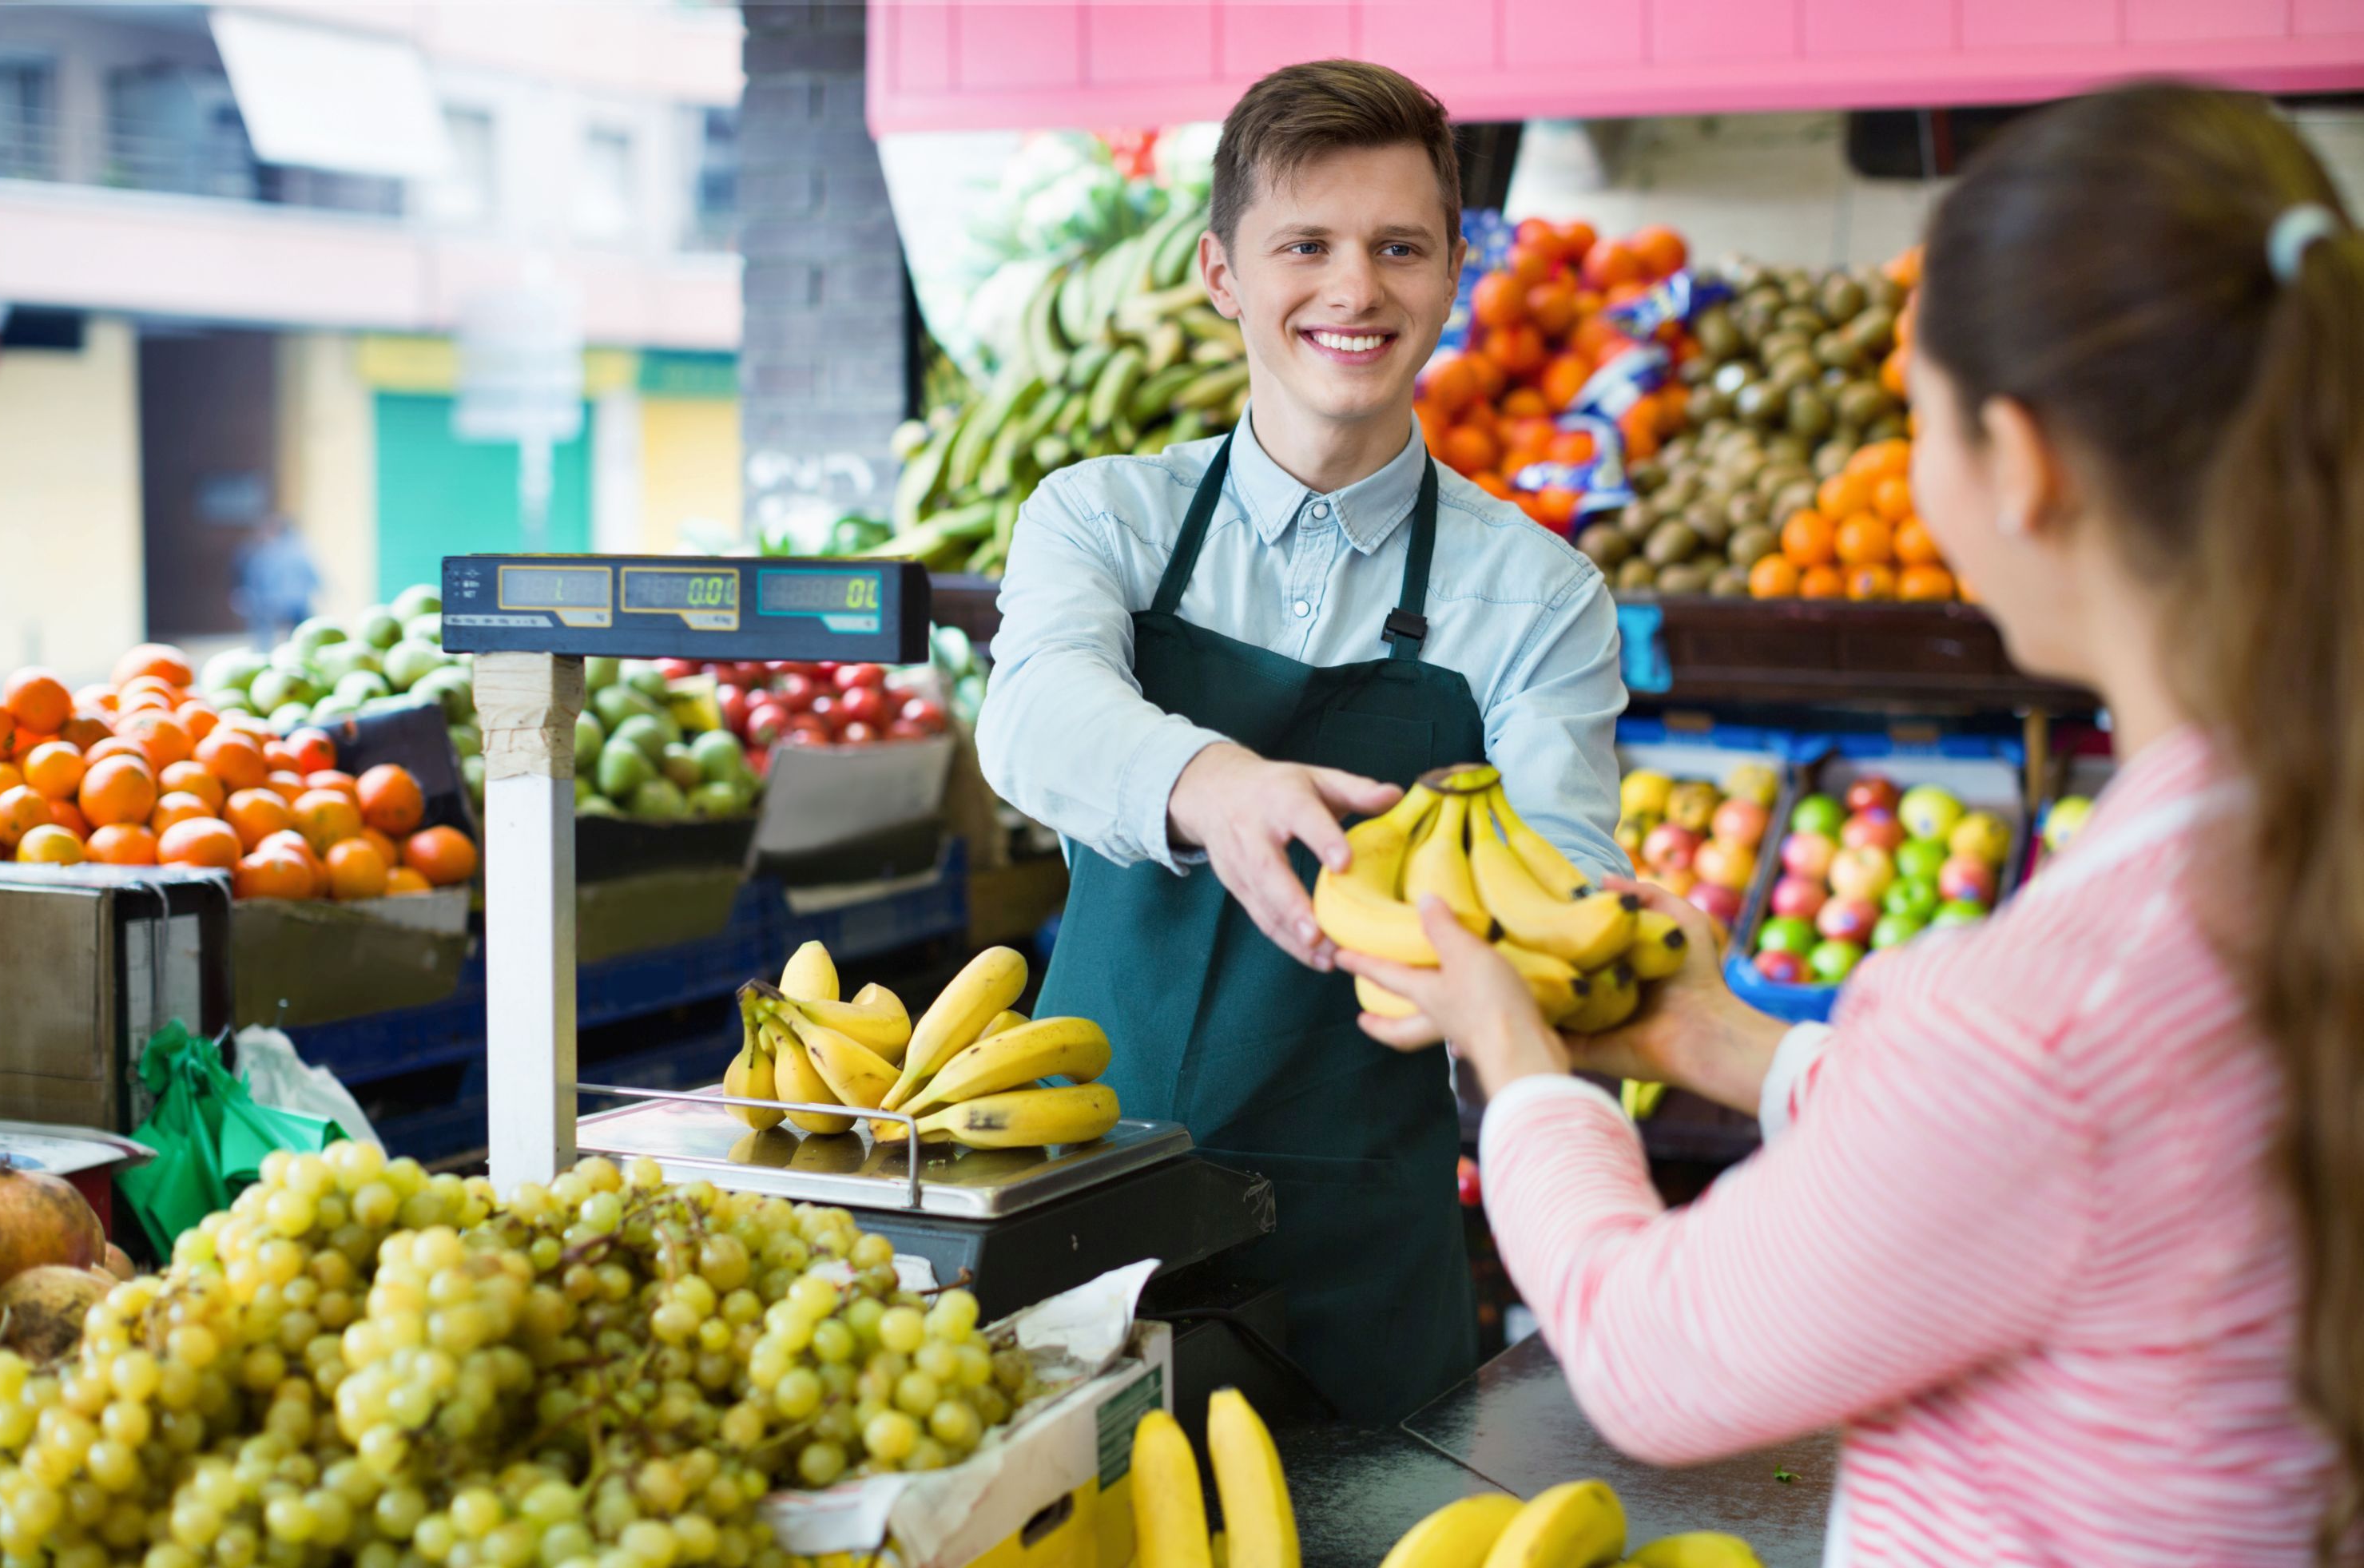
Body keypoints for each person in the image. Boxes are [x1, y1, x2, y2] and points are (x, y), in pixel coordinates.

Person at [1343, 83, 2360, 1561]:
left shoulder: (2036, 1012)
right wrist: (1728, 1046)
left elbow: (1656, 1354)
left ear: (2020, 461)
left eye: (1917, 409)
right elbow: (2064, 1165)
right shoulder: (2274, 853)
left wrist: (1515, 1066)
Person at [979, 60, 1629, 1421]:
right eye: (1307, 247)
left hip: (1362, 1250)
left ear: (1455, 269)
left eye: (1400, 246)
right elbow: (1033, 712)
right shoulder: (1103, 518)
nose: (1355, 289)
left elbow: (1563, 881)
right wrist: (1212, 783)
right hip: (1079, 1199)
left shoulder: (1539, 593)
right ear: (1223, 273)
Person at [233, 514, 320, 649]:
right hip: (282, 601)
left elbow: (255, 577)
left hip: (284, 601)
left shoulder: (272, 552)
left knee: (291, 634)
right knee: (285, 636)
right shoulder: (262, 551)